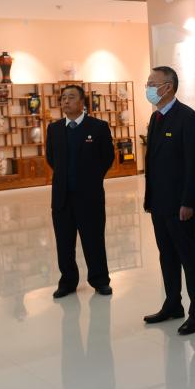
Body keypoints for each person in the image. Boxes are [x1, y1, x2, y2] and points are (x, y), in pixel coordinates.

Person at [141, 66, 195, 335]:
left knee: (189, 256)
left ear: (167, 87)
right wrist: (149, 199)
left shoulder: (187, 118)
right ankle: (172, 303)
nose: (148, 88)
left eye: (151, 83)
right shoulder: (155, 117)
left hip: (180, 204)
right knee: (166, 254)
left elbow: (193, 164)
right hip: (159, 202)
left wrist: (189, 202)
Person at [46, 84, 115, 298]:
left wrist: (91, 178)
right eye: (63, 98)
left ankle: (100, 280)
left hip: (90, 196)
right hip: (62, 197)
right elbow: (51, 158)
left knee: (94, 240)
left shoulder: (98, 127)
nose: (66, 101)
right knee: (64, 242)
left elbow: (107, 157)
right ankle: (67, 282)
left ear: (82, 102)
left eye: (71, 97)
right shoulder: (54, 129)